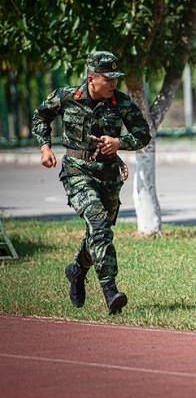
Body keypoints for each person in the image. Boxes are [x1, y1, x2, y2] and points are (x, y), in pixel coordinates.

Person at [32, 51, 151, 314]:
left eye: (116, 79)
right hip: (77, 173)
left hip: (108, 178)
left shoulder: (120, 102)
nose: (113, 84)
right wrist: (45, 147)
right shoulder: (67, 97)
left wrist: (120, 143)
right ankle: (110, 290)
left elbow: (144, 134)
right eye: (108, 79)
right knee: (98, 222)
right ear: (91, 78)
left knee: (100, 233)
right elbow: (41, 115)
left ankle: (76, 270)